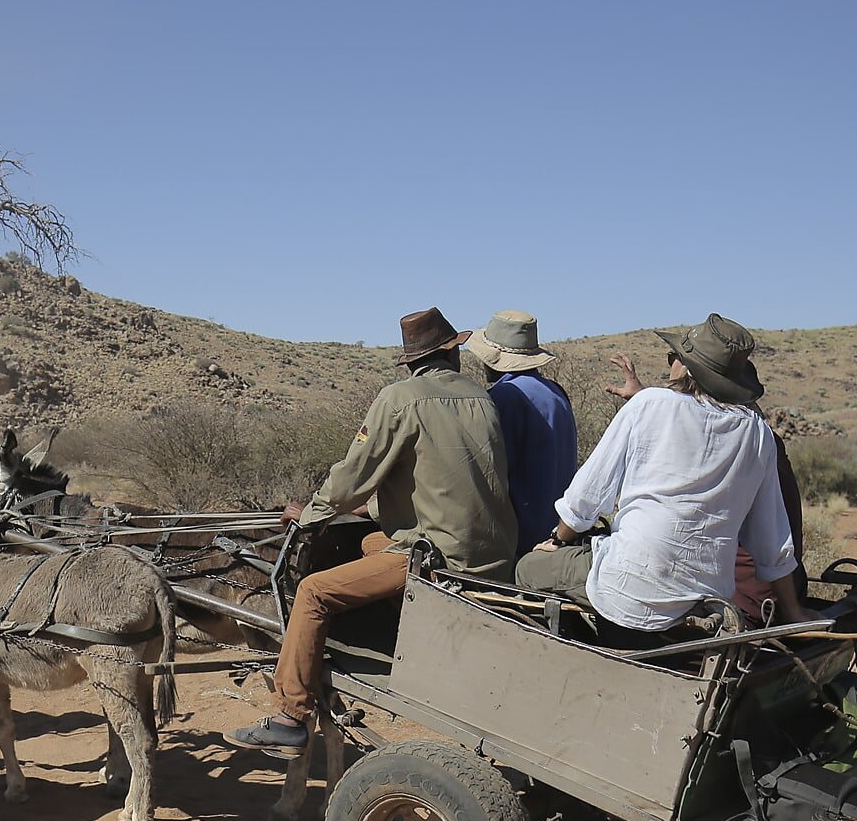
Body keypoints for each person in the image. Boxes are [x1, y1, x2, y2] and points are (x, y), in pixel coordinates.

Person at [226, 307, 517, 757]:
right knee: (367, 541)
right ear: (453, 354)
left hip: (437, 560)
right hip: (493, 553)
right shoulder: (482, 399)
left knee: (312, 592)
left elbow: (351, 477)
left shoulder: (401, 399)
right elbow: (444, 480)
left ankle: (289, 715)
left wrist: (310, 516)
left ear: (413, 362)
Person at [516, 313, 810, 632]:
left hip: (628, 582)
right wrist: (794, 614)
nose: (670, 363)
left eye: (674, 357)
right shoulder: (757, 434)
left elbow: (585, 498)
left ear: (686, 367)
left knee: (528, 568)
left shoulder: (649, 404)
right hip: (706, 597)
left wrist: (557, 541)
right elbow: (773, 542)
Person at [465, 309, 578, 554]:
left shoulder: (505, 397)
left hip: (523, 537)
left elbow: (492, 472)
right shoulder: (556, 392)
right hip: (558, 529)